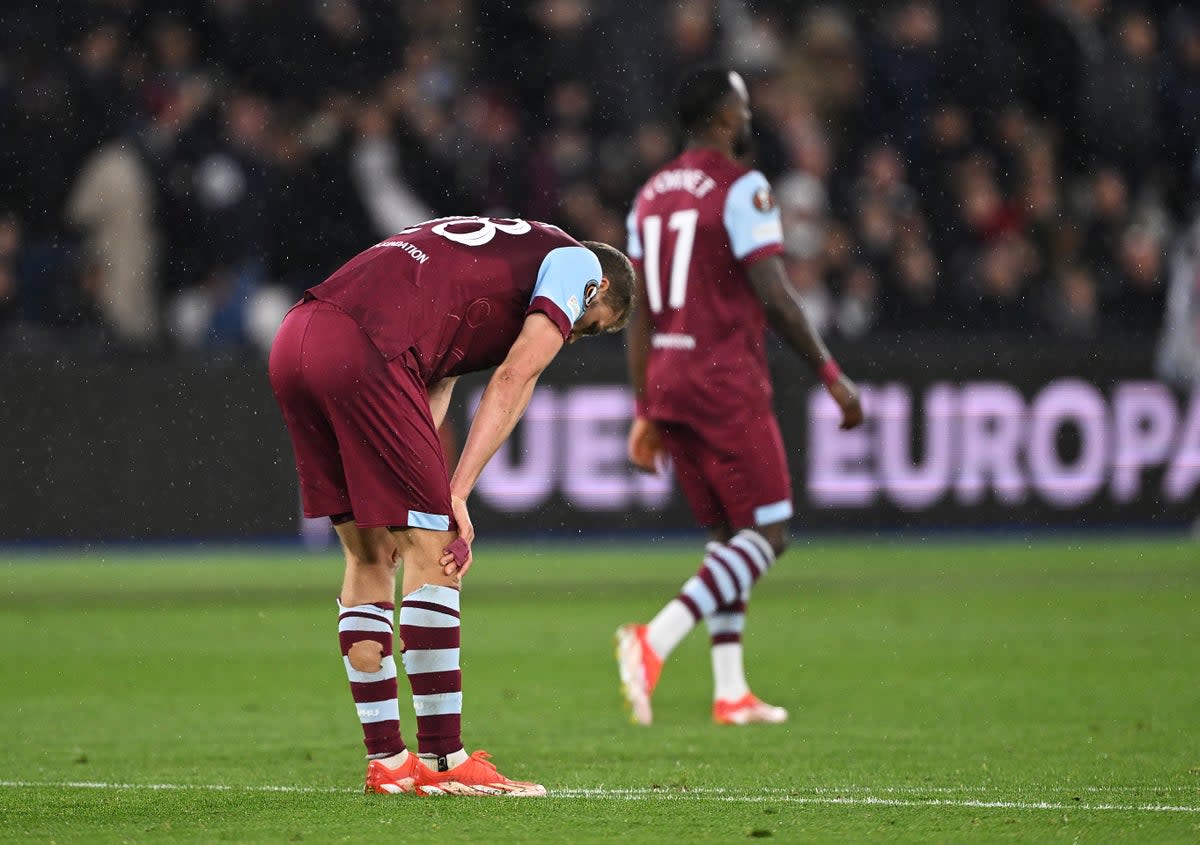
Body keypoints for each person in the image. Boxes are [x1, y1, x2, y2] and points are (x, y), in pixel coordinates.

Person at [268, 215, 634, 795]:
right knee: (437, 550)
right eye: (590, 327)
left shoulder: (492, 265)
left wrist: (422, 489)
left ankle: (388, 763)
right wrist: (453, 496)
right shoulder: (579, 265)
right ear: (601, 291)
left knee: (370, 555)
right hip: (369, 346)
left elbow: (430, 387)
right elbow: (516, 375)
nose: (574, 334)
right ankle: (444, 760)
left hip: (298, 339)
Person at [617, 68, 864, 726]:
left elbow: (638, 314)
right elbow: (775, 295)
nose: (749, 118)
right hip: (723, 376)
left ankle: (730, 688)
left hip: (670, 376)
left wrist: (645, 406)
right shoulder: (740, 187)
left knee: (728, 532)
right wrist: (830, 372)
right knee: (771, 530)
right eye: (744, 108)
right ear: (725, 118)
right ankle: (656, 638)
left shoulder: (649, 196)